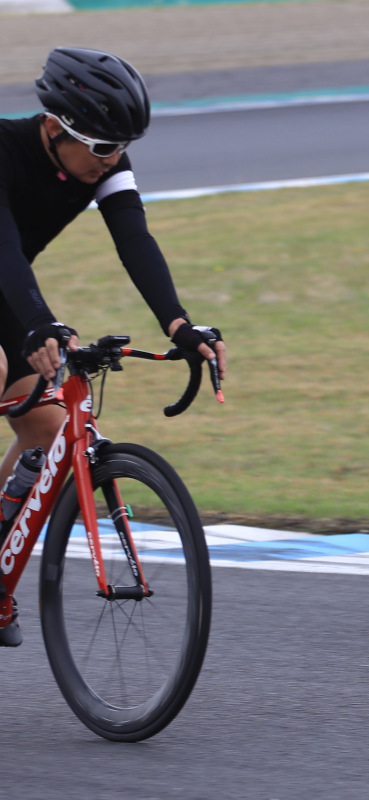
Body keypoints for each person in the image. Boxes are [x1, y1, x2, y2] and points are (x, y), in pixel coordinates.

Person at [0, 48, 227, 647]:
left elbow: (135, 241)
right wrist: (42, 322)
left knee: (50, 434)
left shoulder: (100, 165)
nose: (115, 159)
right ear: (55, 128)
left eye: (124, 147)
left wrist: (180, 326)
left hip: (5, 296)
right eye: (103, 147)